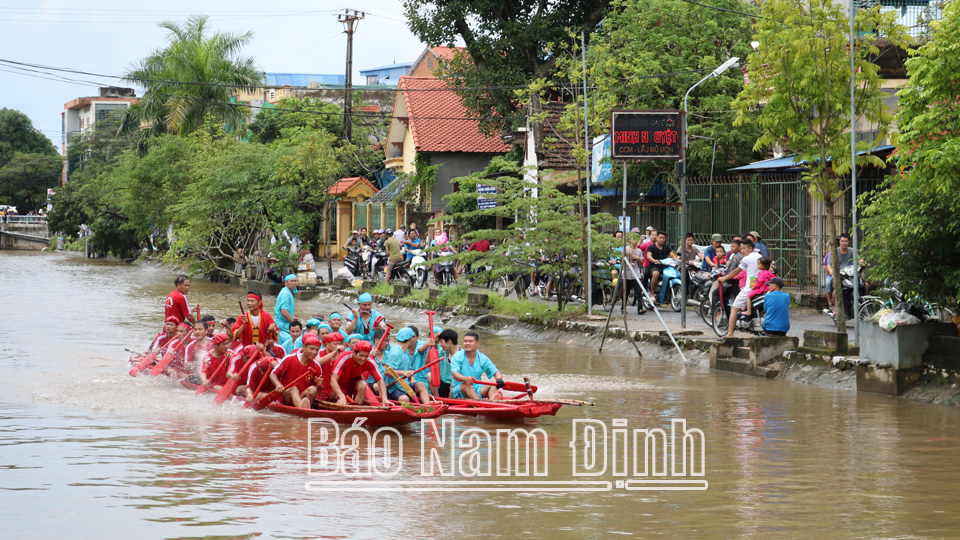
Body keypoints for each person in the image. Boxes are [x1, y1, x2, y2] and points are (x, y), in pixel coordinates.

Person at [719, 238, 761, 338]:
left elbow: (736, 271)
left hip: (750, 286)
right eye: (741, 248)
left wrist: (724, 278)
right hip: (760, 285)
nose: (742, 251)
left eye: (744, 248)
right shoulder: (759, 256)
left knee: (734, 308)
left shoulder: (747, 259)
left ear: (751, 248)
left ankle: (730, 333)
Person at [269, 333, 324, 409]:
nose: (314, 352)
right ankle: (303, 410)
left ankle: (303, 408)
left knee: (313, 389)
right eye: (311, 349)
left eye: (317, 350)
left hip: (302, 396)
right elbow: (273, 374)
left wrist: (318, 385)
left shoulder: (317, 366)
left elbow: (318, 391)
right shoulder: (290, 359)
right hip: (286, 395)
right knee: (294, 388)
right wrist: (278, 384)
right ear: (304, 347)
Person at [382, 327, 432, 403]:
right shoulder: (396, 353)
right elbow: (386, 371)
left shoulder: (405, 351)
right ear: (410, 340)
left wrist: (411, 378)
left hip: (405, 384)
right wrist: (403, 373)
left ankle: (427, 407)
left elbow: (407, 368)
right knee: (405, 399)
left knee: (421, 385)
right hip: (394, 387)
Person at [329, 341, 388, 405]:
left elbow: (380, 380)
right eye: (361, 355)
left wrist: (384, 398)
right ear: (354, 352)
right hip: (340, 382)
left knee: (362, 386)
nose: (363, 358)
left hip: (355, 379)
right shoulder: (344, 357)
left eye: (366, 356)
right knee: (340, 401)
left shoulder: (370, 361)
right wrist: (341, 396)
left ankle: (356, 406)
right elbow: (333, 380)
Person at [450, 332, 504, 400]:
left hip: (477, 388)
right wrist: (465, 379)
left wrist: (499, 379)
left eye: (470, 341)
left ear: (477, 343)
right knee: (467, 385)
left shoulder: (482, 358)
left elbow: (496, 372)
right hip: (459, 390)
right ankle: (483, 404)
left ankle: (492, 401)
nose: (467, 343)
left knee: (494, 383)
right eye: (465, 341)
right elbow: (455, 374)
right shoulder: (457, 356)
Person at [824, 233, 855, 317]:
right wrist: (832, 272)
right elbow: (828, 265)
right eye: (842, 241)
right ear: (839, 242)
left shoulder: (852, 251)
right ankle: (834, 307)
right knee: (835, 288)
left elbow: (858, 259)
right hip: (837, 275)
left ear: (849, 242)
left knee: (864, 285)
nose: (844, 243)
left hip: (849, 274)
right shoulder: (833, 252)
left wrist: (863, 263)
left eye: (846, 241)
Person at [646, 231, 678, 304]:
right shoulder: (651, 247)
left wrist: (679, 260)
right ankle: (652, 294)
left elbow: (673, 256)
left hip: (665, 267)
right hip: (654, 266)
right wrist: (654, 260)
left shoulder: (666, 247)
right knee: (656, 274)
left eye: (663, 238)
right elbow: (648, 256)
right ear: (656, 238)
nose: (662, 239)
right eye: (660, 238)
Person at [623, 237, 647, 315]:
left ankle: (640, 308)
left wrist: (638, 259)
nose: (635, 241)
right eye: (633, 239)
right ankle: (623, 308)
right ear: (629, 241)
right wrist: (629, 264)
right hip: (627, 274)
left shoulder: (639, 251)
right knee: (626, 291)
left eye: (636, 239)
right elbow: (622, 262)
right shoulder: (626, 250)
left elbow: (641, 264)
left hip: (636, 274)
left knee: (638, 292)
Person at [434, 329, 460, 398]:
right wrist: (434, 343)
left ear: (449, 342)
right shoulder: (442, 352)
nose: (440, 344)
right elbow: (428, 362)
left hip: (455, 385)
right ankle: (438, 399)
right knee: (430, 375)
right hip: (442, 384)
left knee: (453, 382)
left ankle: (450, 402)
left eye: (441, 342)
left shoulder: (462, 355)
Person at [274, 274, 298, 344]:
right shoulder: (285, 293)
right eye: (291, 281)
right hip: (282, 326)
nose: (294, 283)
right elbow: (284, 311)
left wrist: (291, 317)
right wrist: (293, 322)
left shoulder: (288, 292)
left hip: (284, 323)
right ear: (286, 282)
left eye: (295, 281)